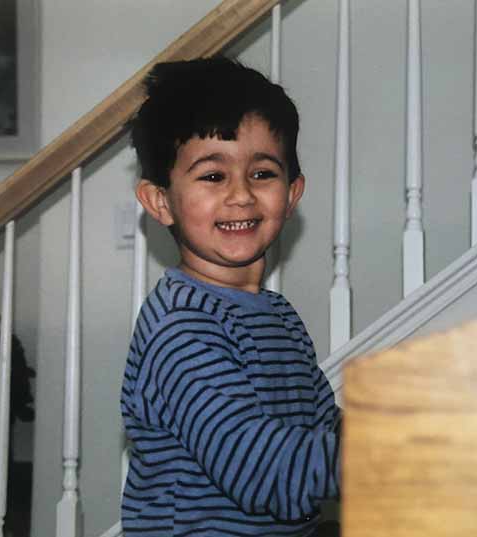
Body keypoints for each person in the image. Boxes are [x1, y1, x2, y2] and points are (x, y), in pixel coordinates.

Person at [121, 57, 341, 537]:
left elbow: (324, 425)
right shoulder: (181, 327)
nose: (241, 195)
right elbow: (265, 470)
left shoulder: (278, 315)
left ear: (293, 192)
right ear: (160, 201)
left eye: (262, 173)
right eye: (213, 176)